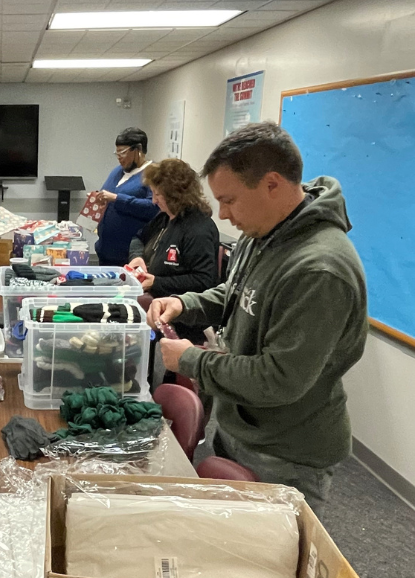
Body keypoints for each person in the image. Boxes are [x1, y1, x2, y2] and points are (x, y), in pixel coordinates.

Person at [148, 122, 368, 517]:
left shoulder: (319, 269)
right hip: (239, 425)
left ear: (271, 184)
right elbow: (236, 294)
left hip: (286, 451)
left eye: (229, 200)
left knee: (265, 552)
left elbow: (278, 379)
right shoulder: (262, 232)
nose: (223, 214)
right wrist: (184, 303)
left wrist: (190, 359)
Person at [127, 158, 219, 345]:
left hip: (183, 325)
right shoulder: (164, 218)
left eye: (158, 195)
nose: (154, 201)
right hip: (155, 310)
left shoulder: (198, 230)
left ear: (175, 195)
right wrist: (137, 257)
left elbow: (203, 281)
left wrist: (157, 282)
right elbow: (138, 238)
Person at [92, 127, 159, 265]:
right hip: (105, 250)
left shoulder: (153, 173)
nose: (119, 157)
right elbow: (107, 194)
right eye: (116, 153)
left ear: (138, 149)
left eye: (122, 152)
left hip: (128, 255)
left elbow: (152, 207)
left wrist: (117, 198)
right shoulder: (117, 171)